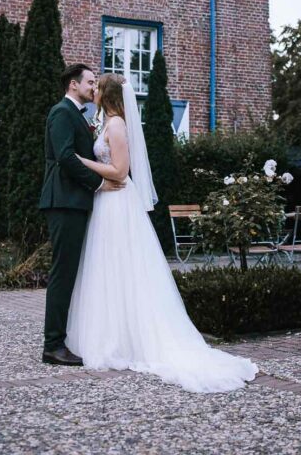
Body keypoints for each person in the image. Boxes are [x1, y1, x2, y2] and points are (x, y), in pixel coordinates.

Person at [65, 73, 257, 393]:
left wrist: (85, 162)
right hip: (106, 203)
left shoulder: (116, 126)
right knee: (107, 269)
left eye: (98, 88)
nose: (93, 90)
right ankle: (111, 335)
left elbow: (121, 172)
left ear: (108, 95)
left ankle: (126, 340)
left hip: (117, 202)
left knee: (122, 267)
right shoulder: (107, 123)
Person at [39, 64, 124, 366]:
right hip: (64, 201)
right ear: (73, 85)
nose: (93, 87)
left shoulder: (79, 115)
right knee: (63, 272)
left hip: (74, 201)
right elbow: (64, 157)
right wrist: (100, 183)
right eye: (89, 82)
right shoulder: (62, 112)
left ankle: (62, 338)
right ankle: (53, 345)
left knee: (70, 271)